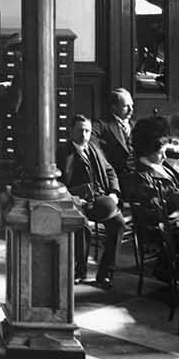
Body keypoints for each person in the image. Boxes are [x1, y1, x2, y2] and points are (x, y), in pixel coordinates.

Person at [58, 112, 122, 287]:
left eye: (87, 131)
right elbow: (57, 183)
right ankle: (80, 270)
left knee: (118, 223)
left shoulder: (94, 148)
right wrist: (74, 198)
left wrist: (114, 193)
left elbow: (110, 171)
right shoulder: (62, 153)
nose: (84, 135)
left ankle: (106, 273)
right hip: (75, 202)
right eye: (80, 131)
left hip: (99, 198)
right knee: (82, 226)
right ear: (70, 131)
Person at [124, 116, 179, 225]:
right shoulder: (141, 178)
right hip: (168, 226)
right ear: (148, 151)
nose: (164, 156)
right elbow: (153, 213)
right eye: (160, 153)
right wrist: (178, 198)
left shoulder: (159, 165)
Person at [96, 88, 135, 183]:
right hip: (116, 179)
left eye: (132, 105)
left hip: (137, 178)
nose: (131, 110)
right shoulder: (102, 125)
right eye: (126, 106)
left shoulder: (136, 125)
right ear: (114, 107)